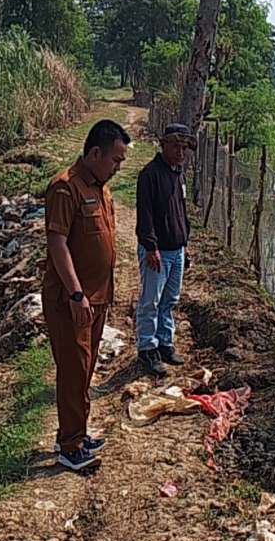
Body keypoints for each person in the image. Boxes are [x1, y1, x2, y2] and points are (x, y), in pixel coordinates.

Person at [42, 119, 130, 469]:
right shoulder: (66, 188)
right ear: (95, 153)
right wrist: (76, 294)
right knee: (73, 370)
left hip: (97, 297)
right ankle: (70, 446)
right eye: (115, 159)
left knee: (86, 366)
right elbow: (57, 242)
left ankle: (76, 431)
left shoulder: (101, 188)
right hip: (72, 300)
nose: (119, 166)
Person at [135, 123, 194, 377]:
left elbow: (181, 212)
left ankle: (165, 343)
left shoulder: (178, 173)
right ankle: (147, 348)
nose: (181, 152)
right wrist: (150, 247)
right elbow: (145, 215)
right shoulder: (150, 174)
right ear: (164, 145)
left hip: (177, 249)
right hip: (158, 250)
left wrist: (185, 245)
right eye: (176, 146)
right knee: (151, 301)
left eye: (184, 147)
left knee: (170, 300)